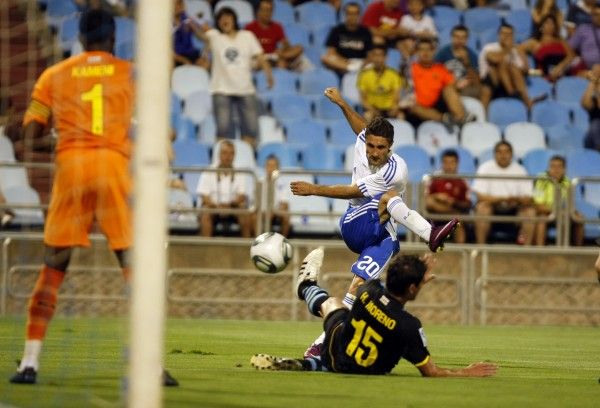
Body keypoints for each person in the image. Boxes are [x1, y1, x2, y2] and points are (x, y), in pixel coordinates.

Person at [8, 9, 178, 386]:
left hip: (71, 169)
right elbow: (157, 128)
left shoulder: (54, 74)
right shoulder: (130, 71)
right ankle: (150, 366)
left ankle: (29, 363)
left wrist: (57, 132)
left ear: (81, 39)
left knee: (54, 266)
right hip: (113, 170)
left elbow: (30, 134)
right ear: (113, 38)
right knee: (133, 267)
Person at [290, 87, 458, 358]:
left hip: (380, 235)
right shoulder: (365, 142)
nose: (374, 152)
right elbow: (360, 129)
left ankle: (320, 344)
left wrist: (313, 188)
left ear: (390, 148)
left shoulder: (395, 170)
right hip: (355, 223)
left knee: (357, 288)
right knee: (388, 199)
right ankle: (430, 233)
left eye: (381, 148)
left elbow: (353, 189)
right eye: (370, 145)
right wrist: (343, 104)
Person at [250, 248, 498, 377]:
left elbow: (380, 292)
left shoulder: (369, 290)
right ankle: (312, 364)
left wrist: (413, 275)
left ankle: (305, 287)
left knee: (334, 304)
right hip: (362, 369)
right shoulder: (409, 326)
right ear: (412, 288)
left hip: (337, 347)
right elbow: (431, 372)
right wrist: (466, 372)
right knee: (344, 335)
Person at [196, 7, 274, 148]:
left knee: (251, 130)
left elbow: (260, 57)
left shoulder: (247, 36)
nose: (224, 20)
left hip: (245, 89)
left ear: (234, 19)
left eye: (227, 17)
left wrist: (269, 74)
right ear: (218, 23)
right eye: (221, 19)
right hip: (221, 89)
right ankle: (220, 163)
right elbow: (201, 35)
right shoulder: (214, 36)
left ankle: (247, 162)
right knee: (223, 129)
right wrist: (192, 23)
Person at [471, 141, 537, 245]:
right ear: (495, 154)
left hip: (514, 208)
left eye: (506, 152)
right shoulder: (485, 168)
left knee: (530, 211)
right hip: (492, 207)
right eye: (499, 152)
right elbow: (480, 196)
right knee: (482, 208)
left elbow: (528, 198)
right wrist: (501, 199)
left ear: (511, 154)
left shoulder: (520, 170)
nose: (503, 155)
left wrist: (516, 200)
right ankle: (481, 248)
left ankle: (526, 251)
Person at [406, 39, 472, 128]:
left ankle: (461, 119)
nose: (425, 53)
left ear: (433, 52)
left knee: (449, 89)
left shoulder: (441, 69)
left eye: (429, 49)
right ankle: (445, 119)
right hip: (417, 108)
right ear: (417, 52)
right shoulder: (411, 69)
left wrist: (458, 85)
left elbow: (452, 86)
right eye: (422, 49)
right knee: (411, 104)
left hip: (438, 104)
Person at [197, 140, 252, 238]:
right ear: (219, 154)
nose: (228, 156)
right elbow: (204, 196)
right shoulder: (208, 171)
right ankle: (205, 249)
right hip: (213, 207)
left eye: (231, 153)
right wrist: (216, 206)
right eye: (225, 153)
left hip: (233, 207)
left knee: (245, 215)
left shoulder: (240, 172)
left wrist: (230, 205)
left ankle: (246, 248)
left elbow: (241, 196)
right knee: (205, 214)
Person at [479, 23, 539, 109]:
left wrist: (521, 52)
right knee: (502, 63)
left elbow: (526, 70)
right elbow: (494, 59)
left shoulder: (516, 50)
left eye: (509, 34)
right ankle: (513, 93)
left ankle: (522, 97)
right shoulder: (489, 47)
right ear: (499, 34)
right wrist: (508, 49)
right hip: (492, 81)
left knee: (513, 67)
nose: (506, 37)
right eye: (504, 33)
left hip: (512, 80)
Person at [533, 155, 584, 246]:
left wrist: (570, 211)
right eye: (553, 166)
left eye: (559, 167)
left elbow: (570, 204)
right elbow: (538, 206)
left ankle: (576, 251)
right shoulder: (541, 179)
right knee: (541, 219)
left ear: (564, 169)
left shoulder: (568, 182)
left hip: (561, 213)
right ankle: (539, 252)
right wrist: (557, 211)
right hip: (545, 212)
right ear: (549, 168)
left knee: (579, 217)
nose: (556, 170)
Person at [425, 149, 472, 244]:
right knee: (429, 202)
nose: (449, 166)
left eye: (452, 162)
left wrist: (453, 202)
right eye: (445, 162)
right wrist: (437, 196)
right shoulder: (434, 178)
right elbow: (426, 200)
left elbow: (467, 205)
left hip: (455, 217)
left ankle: (461, 255)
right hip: (436, 215)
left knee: (458, 222)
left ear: (457, 163)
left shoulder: (463, 181)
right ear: (441, 163)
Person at [435, 25, 490, 104]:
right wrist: (452, 82)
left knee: (486, 90)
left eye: (463, 38)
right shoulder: (443, 52)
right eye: (457, 37)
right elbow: (433, 71)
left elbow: (477, 81)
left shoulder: (472, 55)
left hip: (466, 87)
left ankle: (481, 115)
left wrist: (467, 63)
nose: (460, 40)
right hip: (448, 86)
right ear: (452, 37)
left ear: (467, 40)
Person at [245, 0, 305, 71]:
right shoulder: (249, 27)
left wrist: (282, 51)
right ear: (258, 12)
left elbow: (287, 45)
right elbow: (247, 49)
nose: (268, 13)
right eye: (265, 10)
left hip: (274, 56)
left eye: (270, 10)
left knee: (299, 48)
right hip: (258, 58)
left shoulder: (277, 26)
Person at [321, 2, 373, 76]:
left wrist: (364, 63)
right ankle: (351, 69)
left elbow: (370, 55)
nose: (353, 16)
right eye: (350, 13)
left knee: (373, 63)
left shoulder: (366, 31)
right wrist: (345, 62)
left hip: (360, 62)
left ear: (359, 15)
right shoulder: (337, 30)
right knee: (325, 58)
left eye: (355, 13)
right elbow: (331, 52)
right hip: (342, 62)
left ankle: (352, 69)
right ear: (345, 15)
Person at [519, 15, 575, 82]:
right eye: (547, 23)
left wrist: (560, 66)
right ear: (541, 26)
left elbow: (571, 55)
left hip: (563, 74)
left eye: (552, 23)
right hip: (544, 76)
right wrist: (525, 63)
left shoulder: (561, 40)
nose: (550, 26)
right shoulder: (534, 42)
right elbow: (518, 49)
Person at [357, 45, 404, 121]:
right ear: (371, 57)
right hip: (372, 109)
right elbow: (363, 99)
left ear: (386, 57)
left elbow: (396, 98)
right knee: (367, 116)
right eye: (375, 55)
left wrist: (394, 108)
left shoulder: (394, 74)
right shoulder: (364, 75)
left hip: (389, 109)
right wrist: (373, 110)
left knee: (400, 116)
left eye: (380, 55)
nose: (377, 59)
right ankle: (368, 133)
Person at [251, 154, 290, 237]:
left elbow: (285, 203)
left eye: (273, 166)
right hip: (261, 211)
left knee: (286, 216)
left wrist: (274, 211)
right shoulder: (259, 182)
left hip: (276, 211)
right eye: (268, 165)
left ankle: (282, 242)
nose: (270, 169)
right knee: (253, 216)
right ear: (265, 167)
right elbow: (254, 201)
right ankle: (258, 242)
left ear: (277, 168)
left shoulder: (282, 183)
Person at [172, 0, 210, 68]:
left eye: (179, 4)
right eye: (174, 4)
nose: (177, 6)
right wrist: (184, 60)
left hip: (190, 54)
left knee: (206, 63)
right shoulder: (166, 23)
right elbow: (169, 51)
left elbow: (205, 39)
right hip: (176, 57)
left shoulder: (186, 19)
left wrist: (203, 56)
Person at [569, 4, 600, 79]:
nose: (599, 18)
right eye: (596, 14)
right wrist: (576, 59)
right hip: (586, 70)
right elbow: (569, 47)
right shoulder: (583, 29)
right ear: (591, 15)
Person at [581, 67, 600, 151]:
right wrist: (592, 82)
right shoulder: (592, 97)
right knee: (595, 125)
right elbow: (585, 104)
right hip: (593, 136)